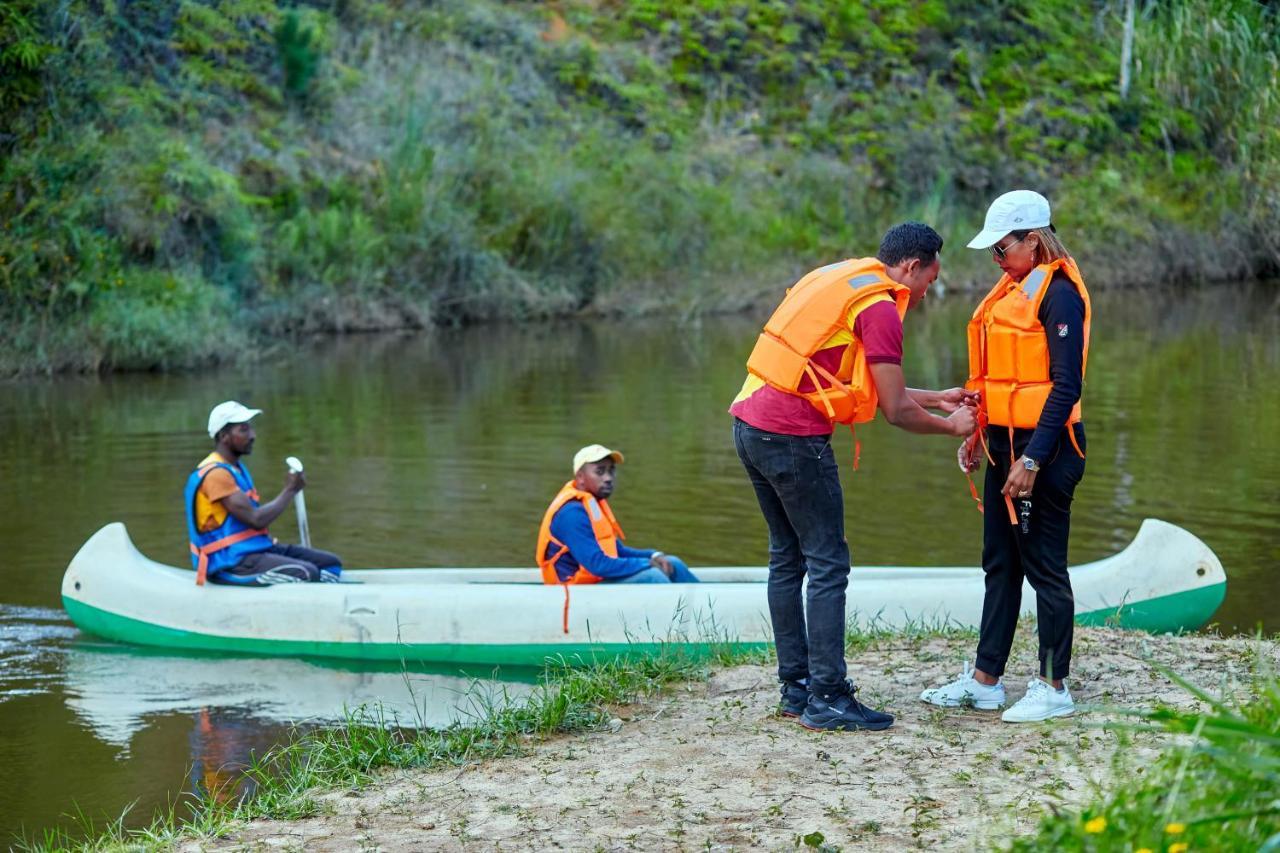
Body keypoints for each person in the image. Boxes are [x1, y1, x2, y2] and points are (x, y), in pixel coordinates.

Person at [730, 222, 978, 732]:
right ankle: (828, 697)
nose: (930, 289)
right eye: (931, 278)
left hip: (750, 423)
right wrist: (950, 425)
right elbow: (893, 410)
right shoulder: (881, 308)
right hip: (792, 436)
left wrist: (937, 396)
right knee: (827, 562)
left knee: (787, 558)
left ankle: (796, 691)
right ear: (912, 266)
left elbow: (856, 382)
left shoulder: (843, 278)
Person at [920, 190, 1090, 722]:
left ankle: (1053, 685)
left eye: (1002, 249)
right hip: (1004, 449)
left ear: (1034, 242)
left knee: (1046, 570)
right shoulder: (1009, 291)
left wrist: (1033, 460)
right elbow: (995, 381)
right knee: (1000, 564)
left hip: (1047, 452)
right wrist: (978, 436)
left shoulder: (1059, 296)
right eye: (992, 252)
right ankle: (985, 681)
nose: (996, 260)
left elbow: (1065, 387)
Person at [183, 401, 342, 586]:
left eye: (250, 428)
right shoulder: (216, 475)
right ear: (224, 436)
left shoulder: (235, 469)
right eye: (243, 430)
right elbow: (256, 519)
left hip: (254, 551)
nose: (252, 435)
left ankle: (323, 603)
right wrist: (290, 490)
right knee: (306, 572)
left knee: (330, 564)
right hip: (229, 563)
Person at [537, 445, 699, 585]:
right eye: (600, 472)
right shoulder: (572, 514)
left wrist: (653, 555)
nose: (608, 478)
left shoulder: (591, 505)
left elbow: (616, 551)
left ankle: (707, 609)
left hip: (593, 584)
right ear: (580, 477)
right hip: (571, 591)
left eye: (611, 471)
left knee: (673, 564)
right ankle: (691, 617)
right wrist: (646, 564)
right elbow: (597, 564)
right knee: (653, 577)